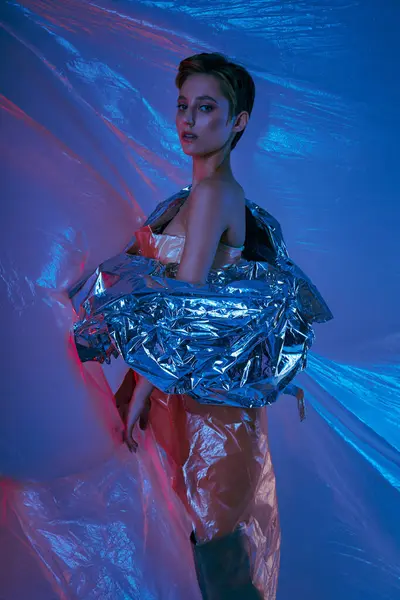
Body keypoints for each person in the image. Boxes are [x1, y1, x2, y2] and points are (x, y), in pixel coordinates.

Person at [121, 53, 281, 599]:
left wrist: (140, 387)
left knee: (216, 565)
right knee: (192, 559)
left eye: (206, 107)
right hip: (186, 394)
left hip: (208, 413)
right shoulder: (192, 197)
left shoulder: (214, 194)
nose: (188, 120)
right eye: (184, 106)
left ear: (238, 122)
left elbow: (185, 298)